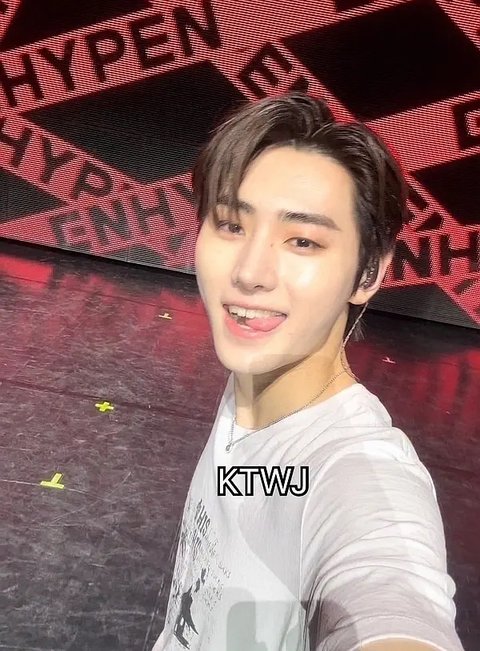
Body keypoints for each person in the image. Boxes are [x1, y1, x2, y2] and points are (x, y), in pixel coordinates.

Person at [152, 93, 464, 651]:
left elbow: (389, 590)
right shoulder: (257, 386)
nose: (250, 272)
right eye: (231, 225)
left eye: (302, 241)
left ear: (368, 273)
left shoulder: (358, 474)